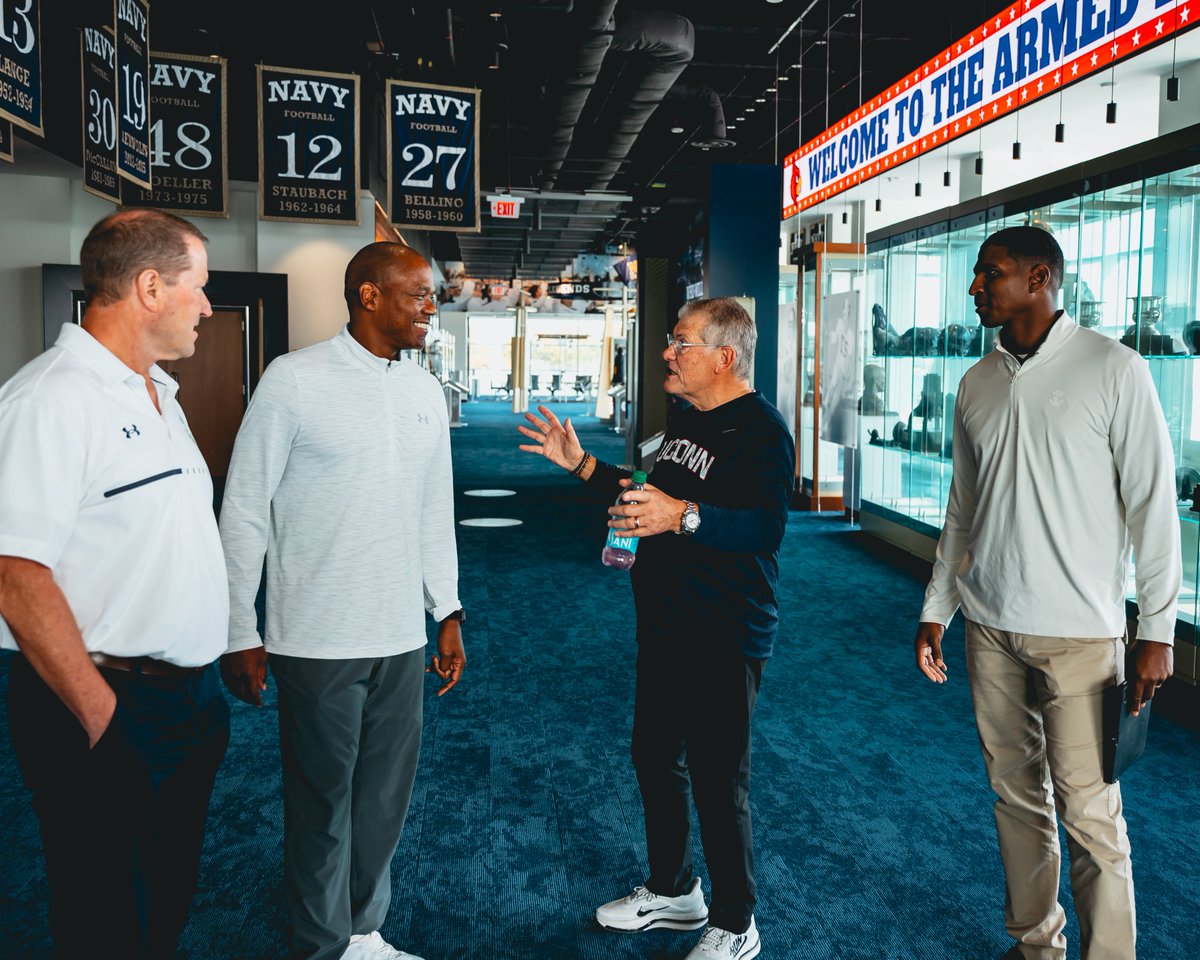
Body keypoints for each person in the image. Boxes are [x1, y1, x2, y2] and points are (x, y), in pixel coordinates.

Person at [913, 226, 1180, 960]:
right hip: (990, 629)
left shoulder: (1115, 369)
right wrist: (939, 607)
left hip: (1083, 635)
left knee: (1092, 816)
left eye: (989, 274)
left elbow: (1153, 505)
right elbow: (963, 508)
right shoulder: (976, 383)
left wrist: (1158, 628)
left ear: (1040, 278)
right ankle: (1036, 945)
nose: (975, 287)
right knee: (1016, 800)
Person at [519, 297, 793, 960]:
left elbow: (765, 527)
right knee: (653, 756)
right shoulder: (688, 422)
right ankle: (674, 892)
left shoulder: (762, 432)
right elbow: (651, 491)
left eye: (682, 343)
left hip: (724, 632)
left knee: (718, 776)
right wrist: (583, 466)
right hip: (667, 625)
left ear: (725, 357)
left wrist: (686, 518)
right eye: (671, 342)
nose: (668, 354)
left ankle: (735, 921)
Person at [218, 241, 465, 960]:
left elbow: (432, 511)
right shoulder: (293, 381)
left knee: (384, 802)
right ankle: (320, 944)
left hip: (400, 634)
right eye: (419, 293)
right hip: (315, 637)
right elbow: (244, 509)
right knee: (323, 805)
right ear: (368, 295)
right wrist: (239, 627)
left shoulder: (422, 390)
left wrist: (445, 611)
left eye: (434, 296)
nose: (431, 306)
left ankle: (363, 931)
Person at [0, 208, 230, 959]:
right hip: (102, 702)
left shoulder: (157, 394)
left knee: (160, 910)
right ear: (150, 285)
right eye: (198, 288)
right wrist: (103, 716)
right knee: (106, 923)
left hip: (186, 702)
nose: (207, 306)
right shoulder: (51, 399)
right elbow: (13, 570)